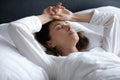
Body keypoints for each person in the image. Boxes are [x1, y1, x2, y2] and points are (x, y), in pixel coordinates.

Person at [8, 3, 120, 80]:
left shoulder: (104, 50)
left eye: (68, 24)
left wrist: (72, 17)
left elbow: (112, 19)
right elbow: (17, 28)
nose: (69, 27)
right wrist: (46, 16)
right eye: (59, 27)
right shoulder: (54, 65)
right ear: (50, 43)